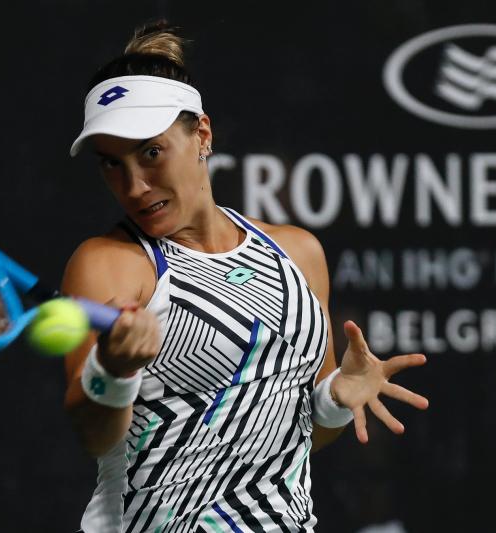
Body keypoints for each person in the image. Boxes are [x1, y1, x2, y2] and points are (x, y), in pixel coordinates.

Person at [61, 21, 429, 532]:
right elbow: (94, 435)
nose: (135, 185)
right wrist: (115, 370)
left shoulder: (298, 252)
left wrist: (335, 400)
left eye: (150, 152)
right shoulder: (109, 263)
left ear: (202, 135)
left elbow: (307, 434)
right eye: (111, 164)